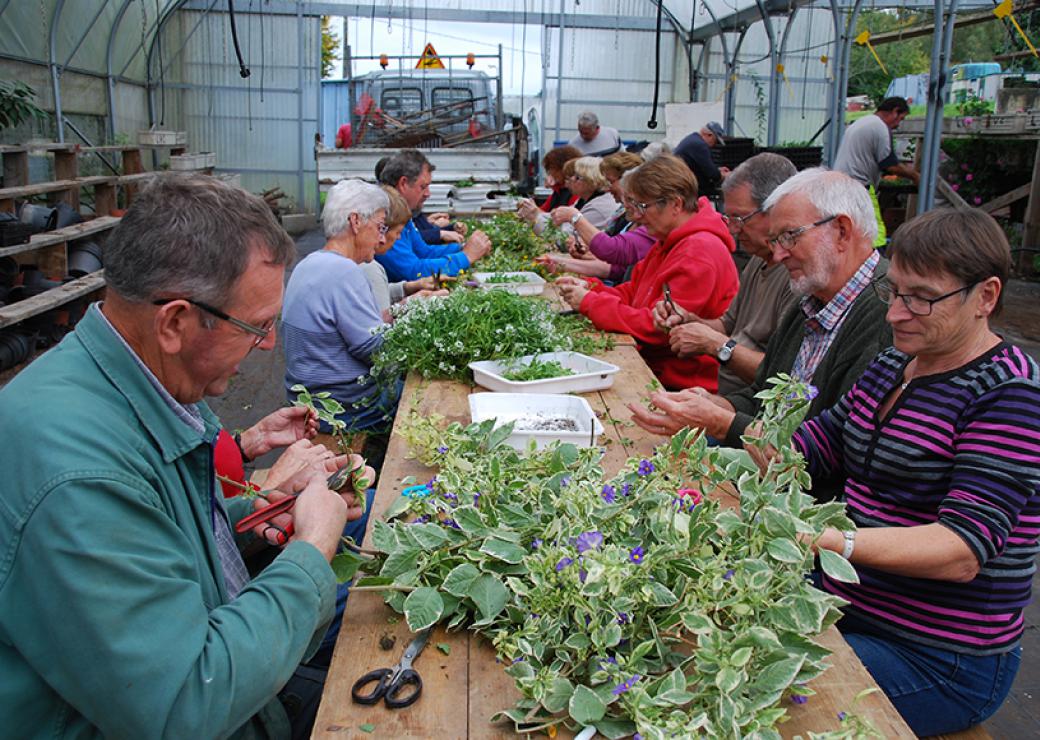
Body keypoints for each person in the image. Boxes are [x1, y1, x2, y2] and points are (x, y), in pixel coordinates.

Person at [0, 173, 372, 737]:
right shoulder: (77, 476)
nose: (270, 345)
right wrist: (312, 547)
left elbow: (156, 538)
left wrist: (259, 513)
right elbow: (184, 705)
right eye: (257, 326)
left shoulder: (147, 384)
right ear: (174, 321)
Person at [752, 209, 1040, 736]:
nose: (896, 314)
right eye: (895, 292)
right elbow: (818, 449)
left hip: (939, 657)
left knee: (761, 700)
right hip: (848, 608)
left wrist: (833, 541)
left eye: (922, 298)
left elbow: (960, 552)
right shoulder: (893, 366)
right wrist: (747, 440)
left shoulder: (1007, 394)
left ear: (987, 296)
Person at [631, 169, 892, 501]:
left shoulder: (886, 316)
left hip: (813, 507)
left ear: (842, 231)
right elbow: (762, 393)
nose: (779, 254)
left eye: (789, 236)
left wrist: (722, 422)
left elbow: (833, 451)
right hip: (767, 477)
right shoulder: (809, 302)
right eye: (776, 240)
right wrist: (711, 403)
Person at [556, 154, 738, 392]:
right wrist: (590, 289)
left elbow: (657, 329)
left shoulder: (698, 252)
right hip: (656, 369)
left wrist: (591, 303)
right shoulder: (669, 240)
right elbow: (634, 290)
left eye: (643, 206)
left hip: (682, 385)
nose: (637, 217)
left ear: (676, 204)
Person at [653, 153, 797, 396]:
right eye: (729, 218)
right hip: (726, 399)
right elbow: (727, 325)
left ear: (776, 209)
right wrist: (688, 319)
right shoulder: (757, 260)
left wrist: (714, 344)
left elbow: (784, 379)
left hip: (750, 413)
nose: (732, 228)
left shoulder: (795, 276)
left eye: (740, 218)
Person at [282, 179, 399, 435]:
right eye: (380, 227)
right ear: (355, 222)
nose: (381, 239)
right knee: (420, 394)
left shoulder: (309, 263)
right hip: (344, 409)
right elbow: (374, 350)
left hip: (309, 400)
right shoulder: (345, 271)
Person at [375, 149, 492, 282]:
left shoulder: (401, 212)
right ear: (403, 183)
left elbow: (423, 251)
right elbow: (413, 271)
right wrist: (466, 256)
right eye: (423, 187)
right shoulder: (384, 214)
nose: (428, 194)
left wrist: (463, 248)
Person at [538, 151, 653, 282]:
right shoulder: (622, 213)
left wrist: (575, 218)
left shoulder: (601, 207)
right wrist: (584, 253)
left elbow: (611, 250)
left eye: (574, 177)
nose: (568, 182)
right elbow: (615, 263)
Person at [833, 96, 919, 246]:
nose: (898, 125)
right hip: (859, 187)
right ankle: (877, 266)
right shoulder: (880, 127)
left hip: (841, 183)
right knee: (875, 233)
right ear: (895, 111)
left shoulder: (863, 122)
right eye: (900, 118)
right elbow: (889, 164)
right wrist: (914, 175)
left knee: (850, 228)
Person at [360, 185, 447, 317]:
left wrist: (407, 287)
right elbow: (379, 328)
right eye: (381, 228)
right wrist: (412, 304)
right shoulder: (369, 267)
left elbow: (373, 292)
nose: (398, 237)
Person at [673, 121, 730, 198]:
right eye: (716, 141)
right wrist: (726, 175)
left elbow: (702, 166)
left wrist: (718, 170)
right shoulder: (700, 145)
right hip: (686, 187)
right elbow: (713, 174)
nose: (715, 145)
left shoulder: (693, 138)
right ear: (709, 135)